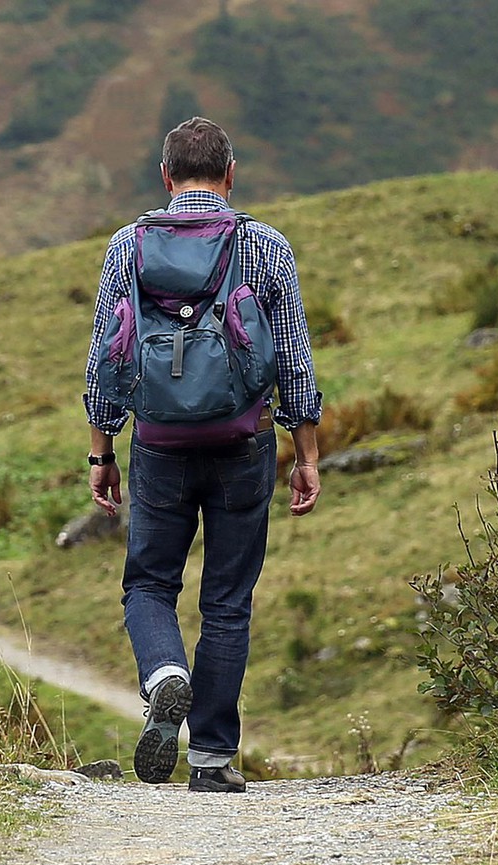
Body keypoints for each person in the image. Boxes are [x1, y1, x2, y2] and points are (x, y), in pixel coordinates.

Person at [82, 117, 322, 793]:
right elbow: (296, 362)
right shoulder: (266, 247)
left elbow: (106, 354)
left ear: (165, 177)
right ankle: (212, 759)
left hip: (158, 444)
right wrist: (306, 453)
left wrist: (102, 449)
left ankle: (165, 674)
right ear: (230, 173)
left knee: (149, 583)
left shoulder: (128, 246)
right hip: (244, 442)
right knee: (227, 600)